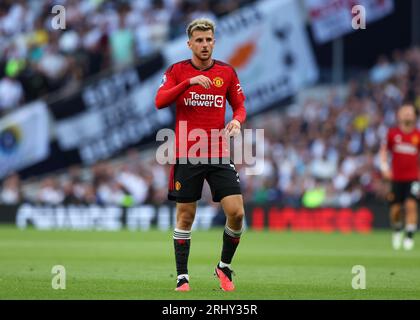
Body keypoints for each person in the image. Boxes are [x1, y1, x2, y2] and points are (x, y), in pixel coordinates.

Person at [155, 18, 246, 291]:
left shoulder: (227, 73)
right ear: (190, 43)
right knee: (185, 216)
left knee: (237, 212)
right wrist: (188, 83)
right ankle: (182, 277)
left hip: (218, 151)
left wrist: (237, 121)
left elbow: (240, 105)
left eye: (208, 40)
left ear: (214, 42)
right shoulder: (176, 71)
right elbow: (160, 101)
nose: (204, 45)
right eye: (199, 40)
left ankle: (224, 266)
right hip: (188, 153)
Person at [380, 104, 419, 250]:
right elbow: (384, 151)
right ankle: (397, 230)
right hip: (396, 178)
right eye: (405, 112)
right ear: (399, 115)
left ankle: (409, 237)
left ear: (415, 116)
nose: (408, 114)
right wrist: (384, 168)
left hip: (413, 178)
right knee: (396, 209)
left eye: (410, 112)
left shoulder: (417, 135)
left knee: (411, 205)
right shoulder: (392, 134)